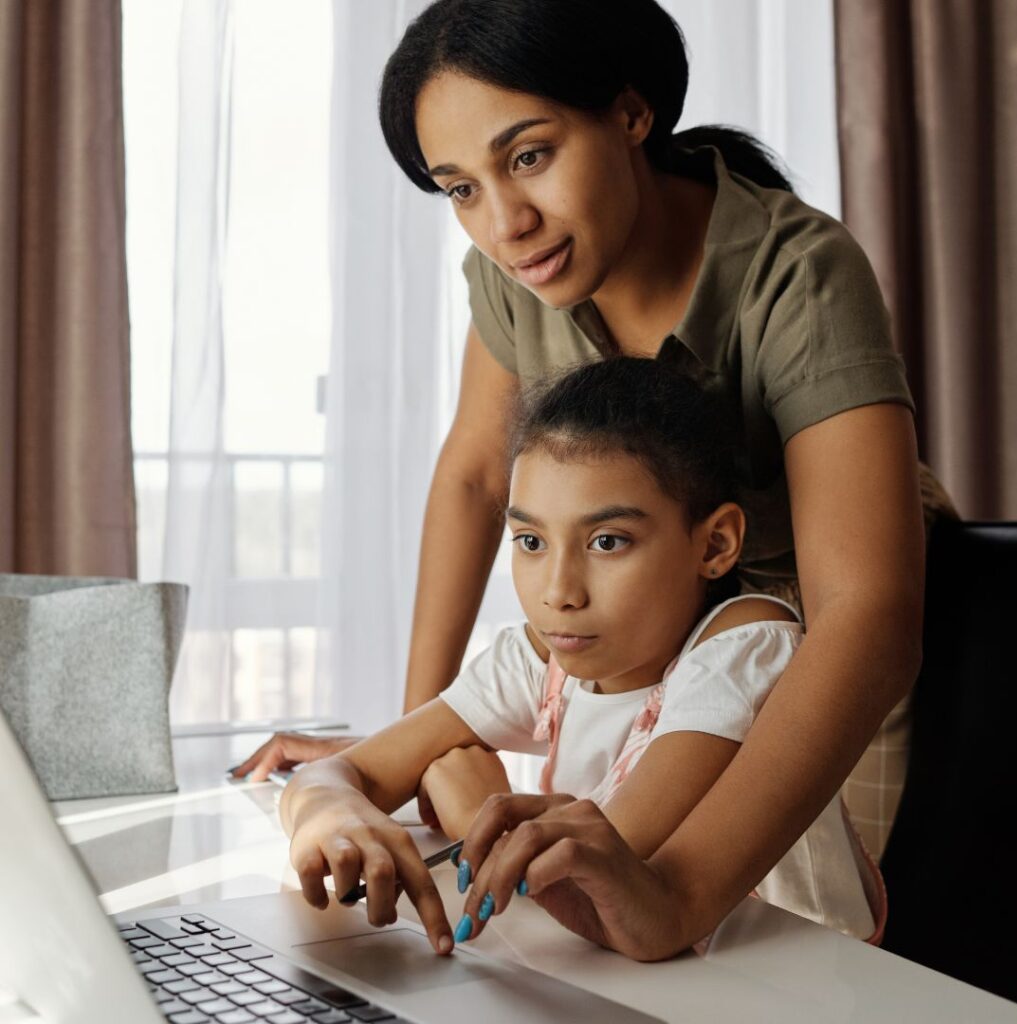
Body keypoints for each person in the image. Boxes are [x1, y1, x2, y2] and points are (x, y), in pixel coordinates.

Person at [234, 0, 956, 945]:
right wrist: (406, 748)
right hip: (653, 614)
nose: (505, 222)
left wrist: (683, 895)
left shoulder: (798, 273)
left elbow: (867, 612)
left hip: (823, 629)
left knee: (777, 934)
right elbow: (473, 479)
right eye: (460, 189)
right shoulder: (513, 266)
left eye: (528, 156)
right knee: (582, 896)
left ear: (629, 114)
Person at [281, 358, 884, 959]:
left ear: (715, 543)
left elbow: (609, 873)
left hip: (799, 983)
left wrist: (472, 815)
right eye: (532, 542)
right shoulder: (544, 656)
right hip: (651, 981)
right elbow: (339, 775)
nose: (558, 592)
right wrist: (331, 813)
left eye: (607, 541)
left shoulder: (748, 645)